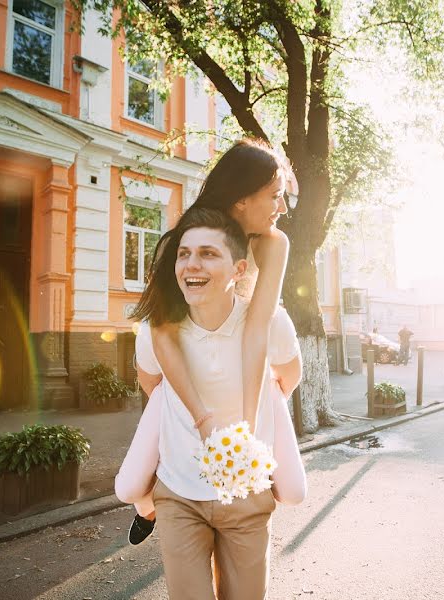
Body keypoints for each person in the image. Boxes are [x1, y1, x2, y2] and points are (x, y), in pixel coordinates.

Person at [115, 139, 306, 545]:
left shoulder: (274, 245)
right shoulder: (179, 243)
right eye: (275, 195)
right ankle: (154, 510)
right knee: (133, 489)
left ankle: (231, 519)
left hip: (240, 368)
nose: (283, 207)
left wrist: (247, 432)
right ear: (241, 199)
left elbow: (257, 329)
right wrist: (194, 414)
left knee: (292, 491)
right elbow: (161, 333)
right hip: (178, 374)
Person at [134, 208, 302, 599]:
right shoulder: (155, 331)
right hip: (179, 494)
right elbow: (153, 387)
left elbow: (287, 379)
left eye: (208, 253)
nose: (191, 264)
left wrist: (256, 419)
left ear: (239, 269)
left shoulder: (270, 322)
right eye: (183, 253)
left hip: (246, 494)